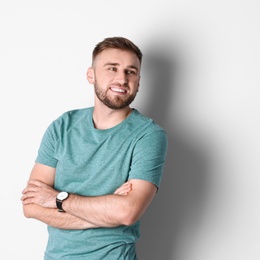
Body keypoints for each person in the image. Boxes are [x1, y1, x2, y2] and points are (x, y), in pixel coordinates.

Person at [21, 36, 168, 259]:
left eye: (130, 71)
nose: (122, 79)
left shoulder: (148, 135)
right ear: (91, 75)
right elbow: (30, 206)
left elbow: (127, 213)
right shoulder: (63, 126)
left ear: (139, 80)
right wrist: (106, 211)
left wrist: (58, 200)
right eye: (112, 68)